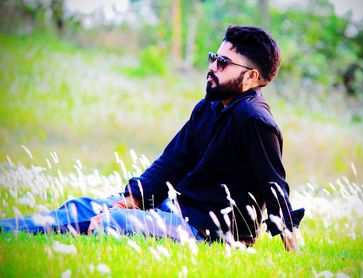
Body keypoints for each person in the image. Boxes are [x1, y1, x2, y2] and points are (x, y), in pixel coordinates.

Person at [0, 25, 304, 251]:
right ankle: (6, 230)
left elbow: (273, 183)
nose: (212, 66)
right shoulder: (209, 107)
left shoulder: (255, 120)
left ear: (251, 77)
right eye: (214, 57)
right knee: (83, 209)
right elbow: (172, 161)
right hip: (174, 211)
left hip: (210, 231)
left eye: (223, 63)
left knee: (110, 225)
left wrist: (288, 235)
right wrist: (129, 201)